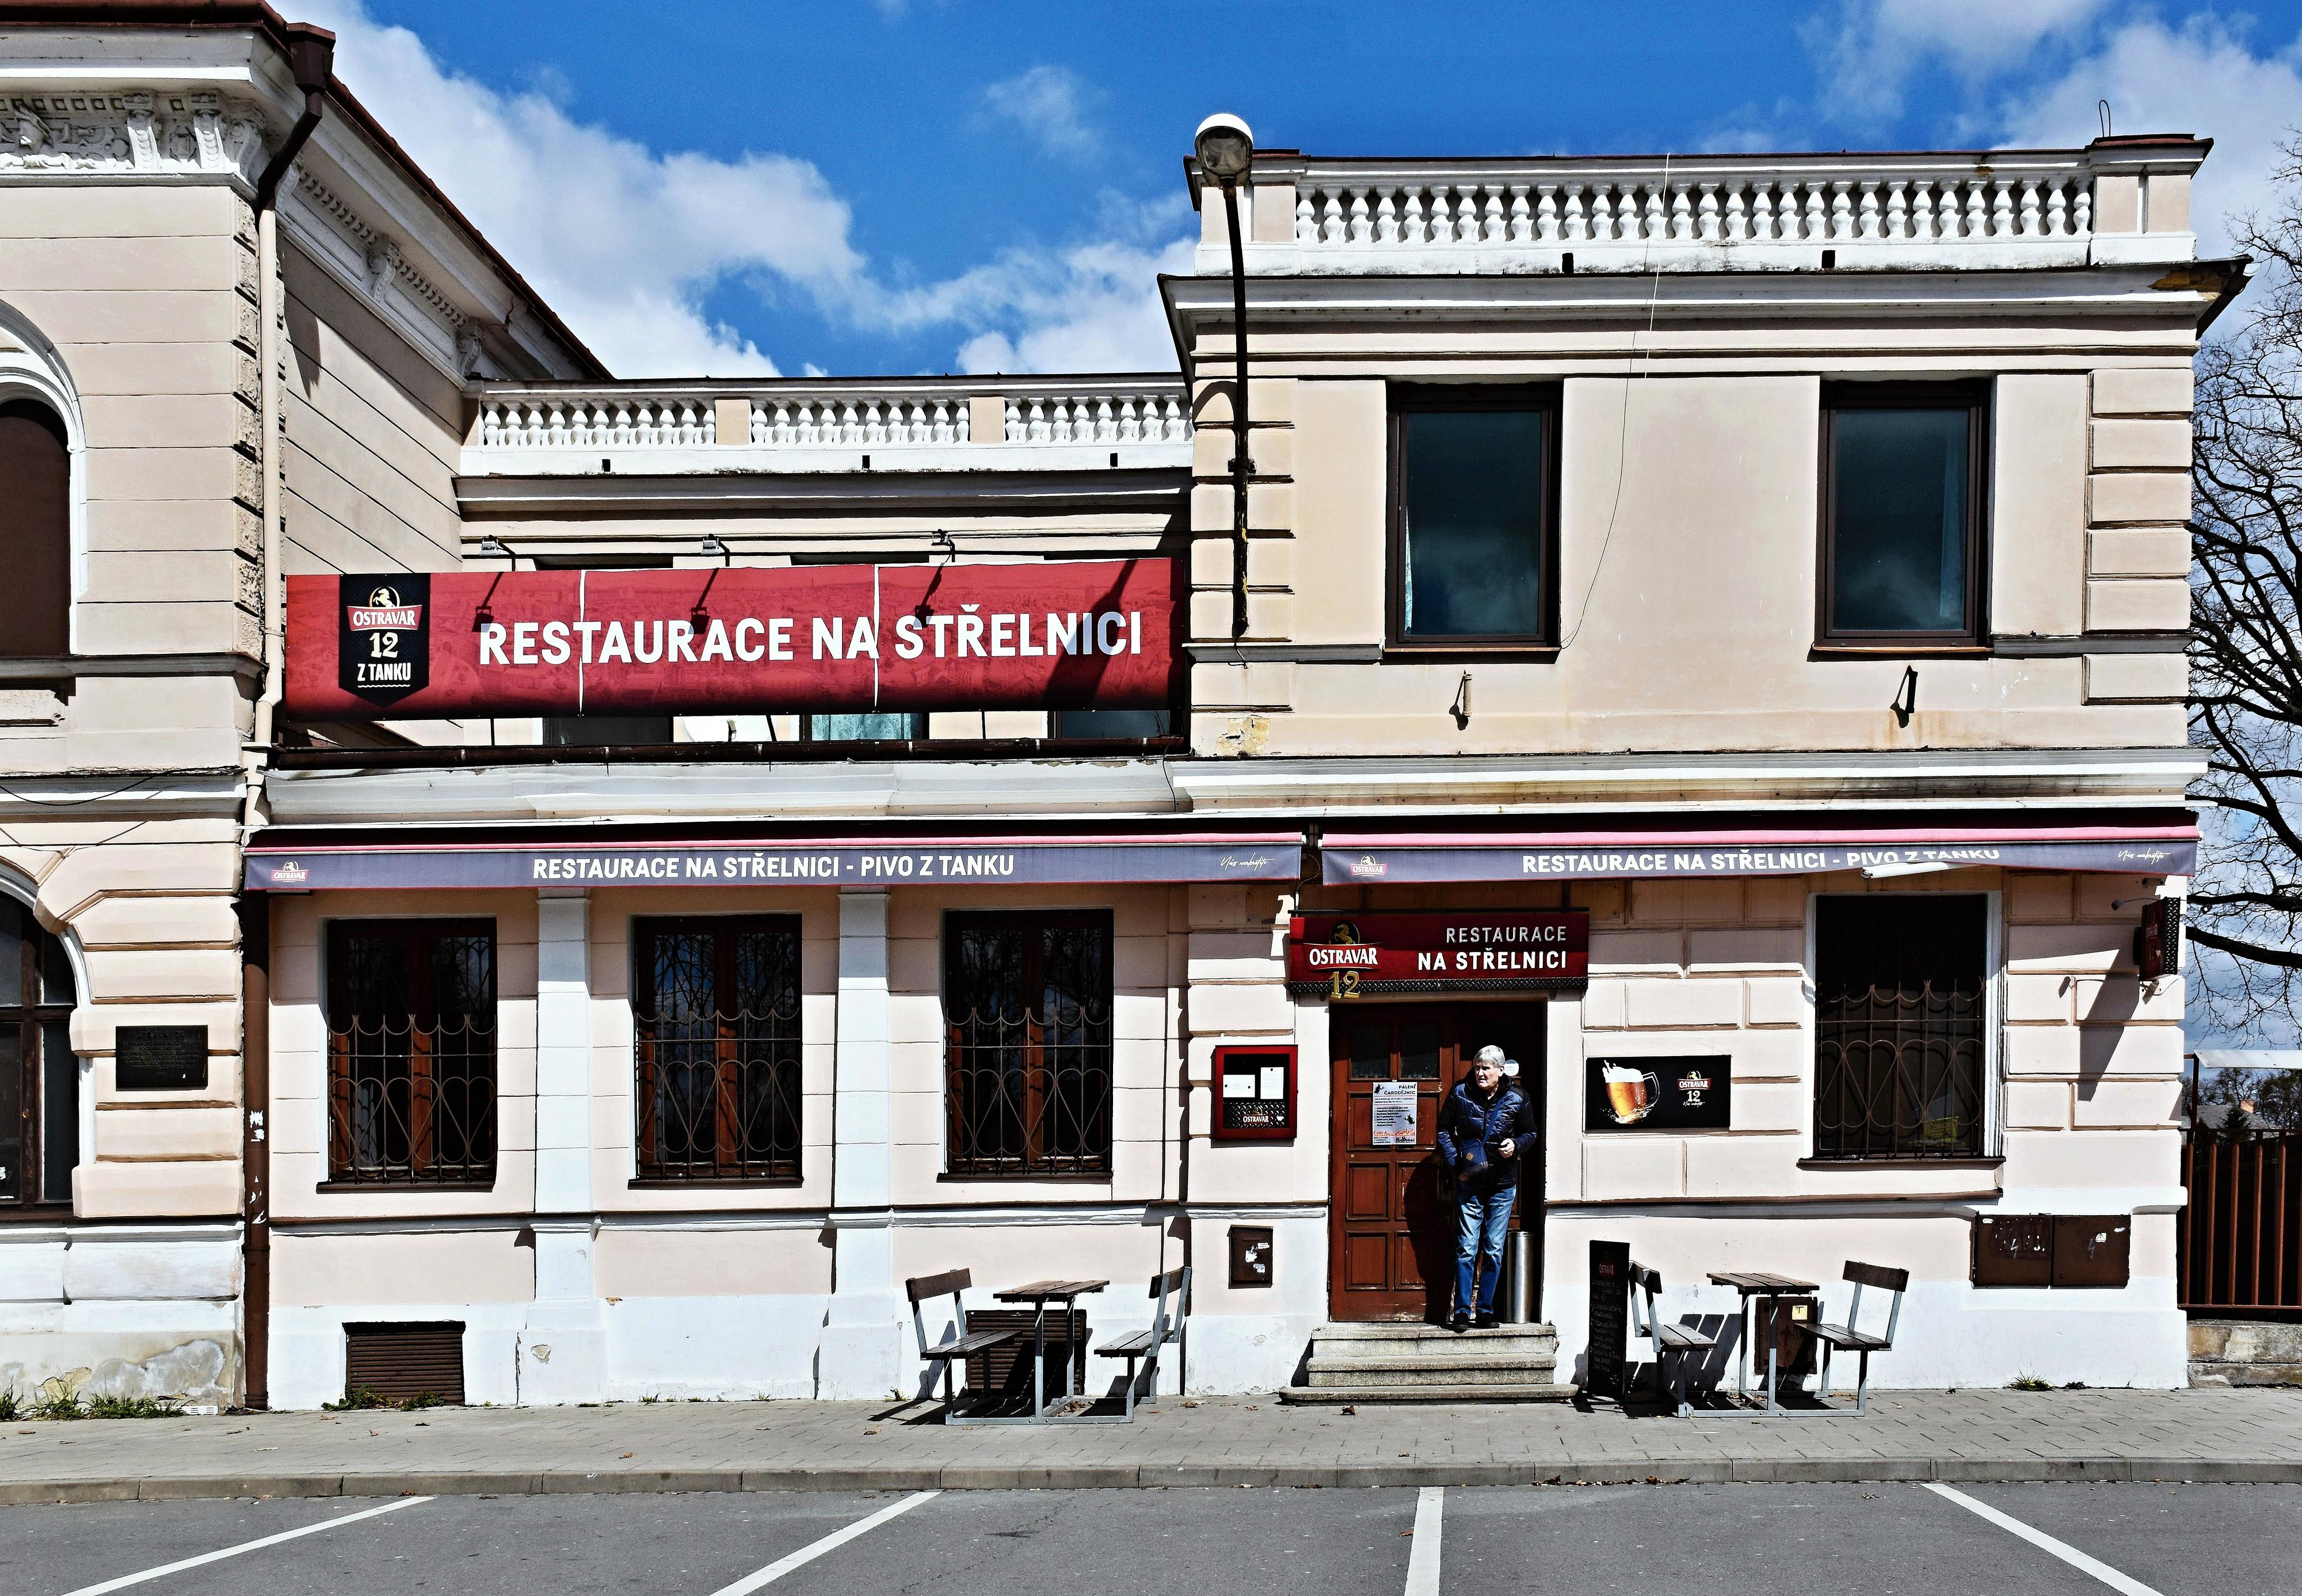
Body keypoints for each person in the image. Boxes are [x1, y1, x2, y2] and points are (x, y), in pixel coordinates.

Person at [1435, 1043, 1532, 1330]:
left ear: (1500, 1071)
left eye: (1486, 1068)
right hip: (1470, 1184)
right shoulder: (1460, 1093)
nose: (1480, 1073)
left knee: (1493, 1248)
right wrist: (1456, 1166)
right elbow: (1443, 1131)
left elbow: (1531, 1133)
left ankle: (1486, 1310)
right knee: (1466, 1248)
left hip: (1503, 1185)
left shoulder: (1518, 1097)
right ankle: (1463, 1311)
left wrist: (1516, 1145)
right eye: (1477, 1067)